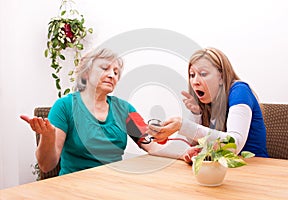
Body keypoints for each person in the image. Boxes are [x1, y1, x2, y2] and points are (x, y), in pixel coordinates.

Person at [20, 47, 189, 175]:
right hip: (74, 187)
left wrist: (184, 153)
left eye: (116, 72)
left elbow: (152, 146)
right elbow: (47, 165)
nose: (112, 75)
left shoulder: (125, 109)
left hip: (113, 184)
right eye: (105, 68)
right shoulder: (64, 106)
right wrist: (48, 137)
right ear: (86, 74)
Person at [147, 47, 269, 162]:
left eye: (203, 74)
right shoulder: (207, 101)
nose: (195, 82)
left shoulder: (240, 91)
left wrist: (183, 125)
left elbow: (233, 145)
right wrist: (196, 114)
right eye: (192, 75)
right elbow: (186, 143)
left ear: (221, 76)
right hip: (221, 169)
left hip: (253, 168)